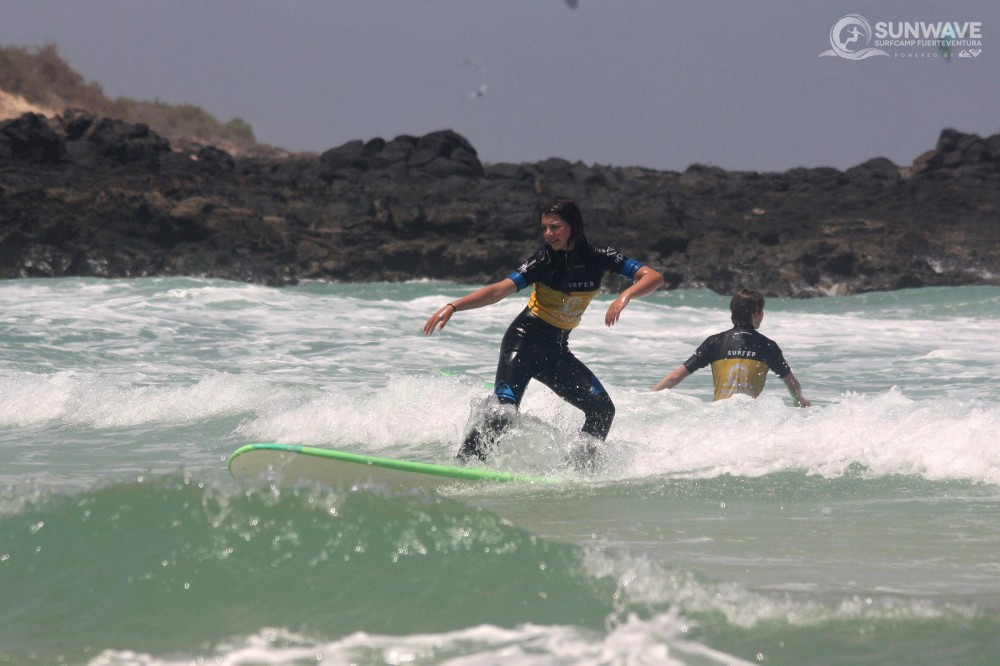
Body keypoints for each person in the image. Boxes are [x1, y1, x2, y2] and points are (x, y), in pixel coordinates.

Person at [423, 197, 665, 463]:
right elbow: (498, 291)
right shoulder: (542, 261)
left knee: (602, 409)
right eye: (545, 228)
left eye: (555, 227)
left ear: (573, 225)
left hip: (556, 351)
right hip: (523, 343)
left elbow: (652, 277)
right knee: (503, 413)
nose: (548, 234)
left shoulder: (600, 257)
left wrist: (625, 296)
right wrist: (453, 306)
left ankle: (581, 470)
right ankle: (463, 465)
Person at [651, 289, 811, 406]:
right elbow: (792, 383)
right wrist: (799, 400)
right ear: (756, 313)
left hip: (719, 414)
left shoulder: (714, 342)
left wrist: (648, 398)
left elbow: (675, 376)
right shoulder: (767, 346)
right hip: (752, 418)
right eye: (761, 311)